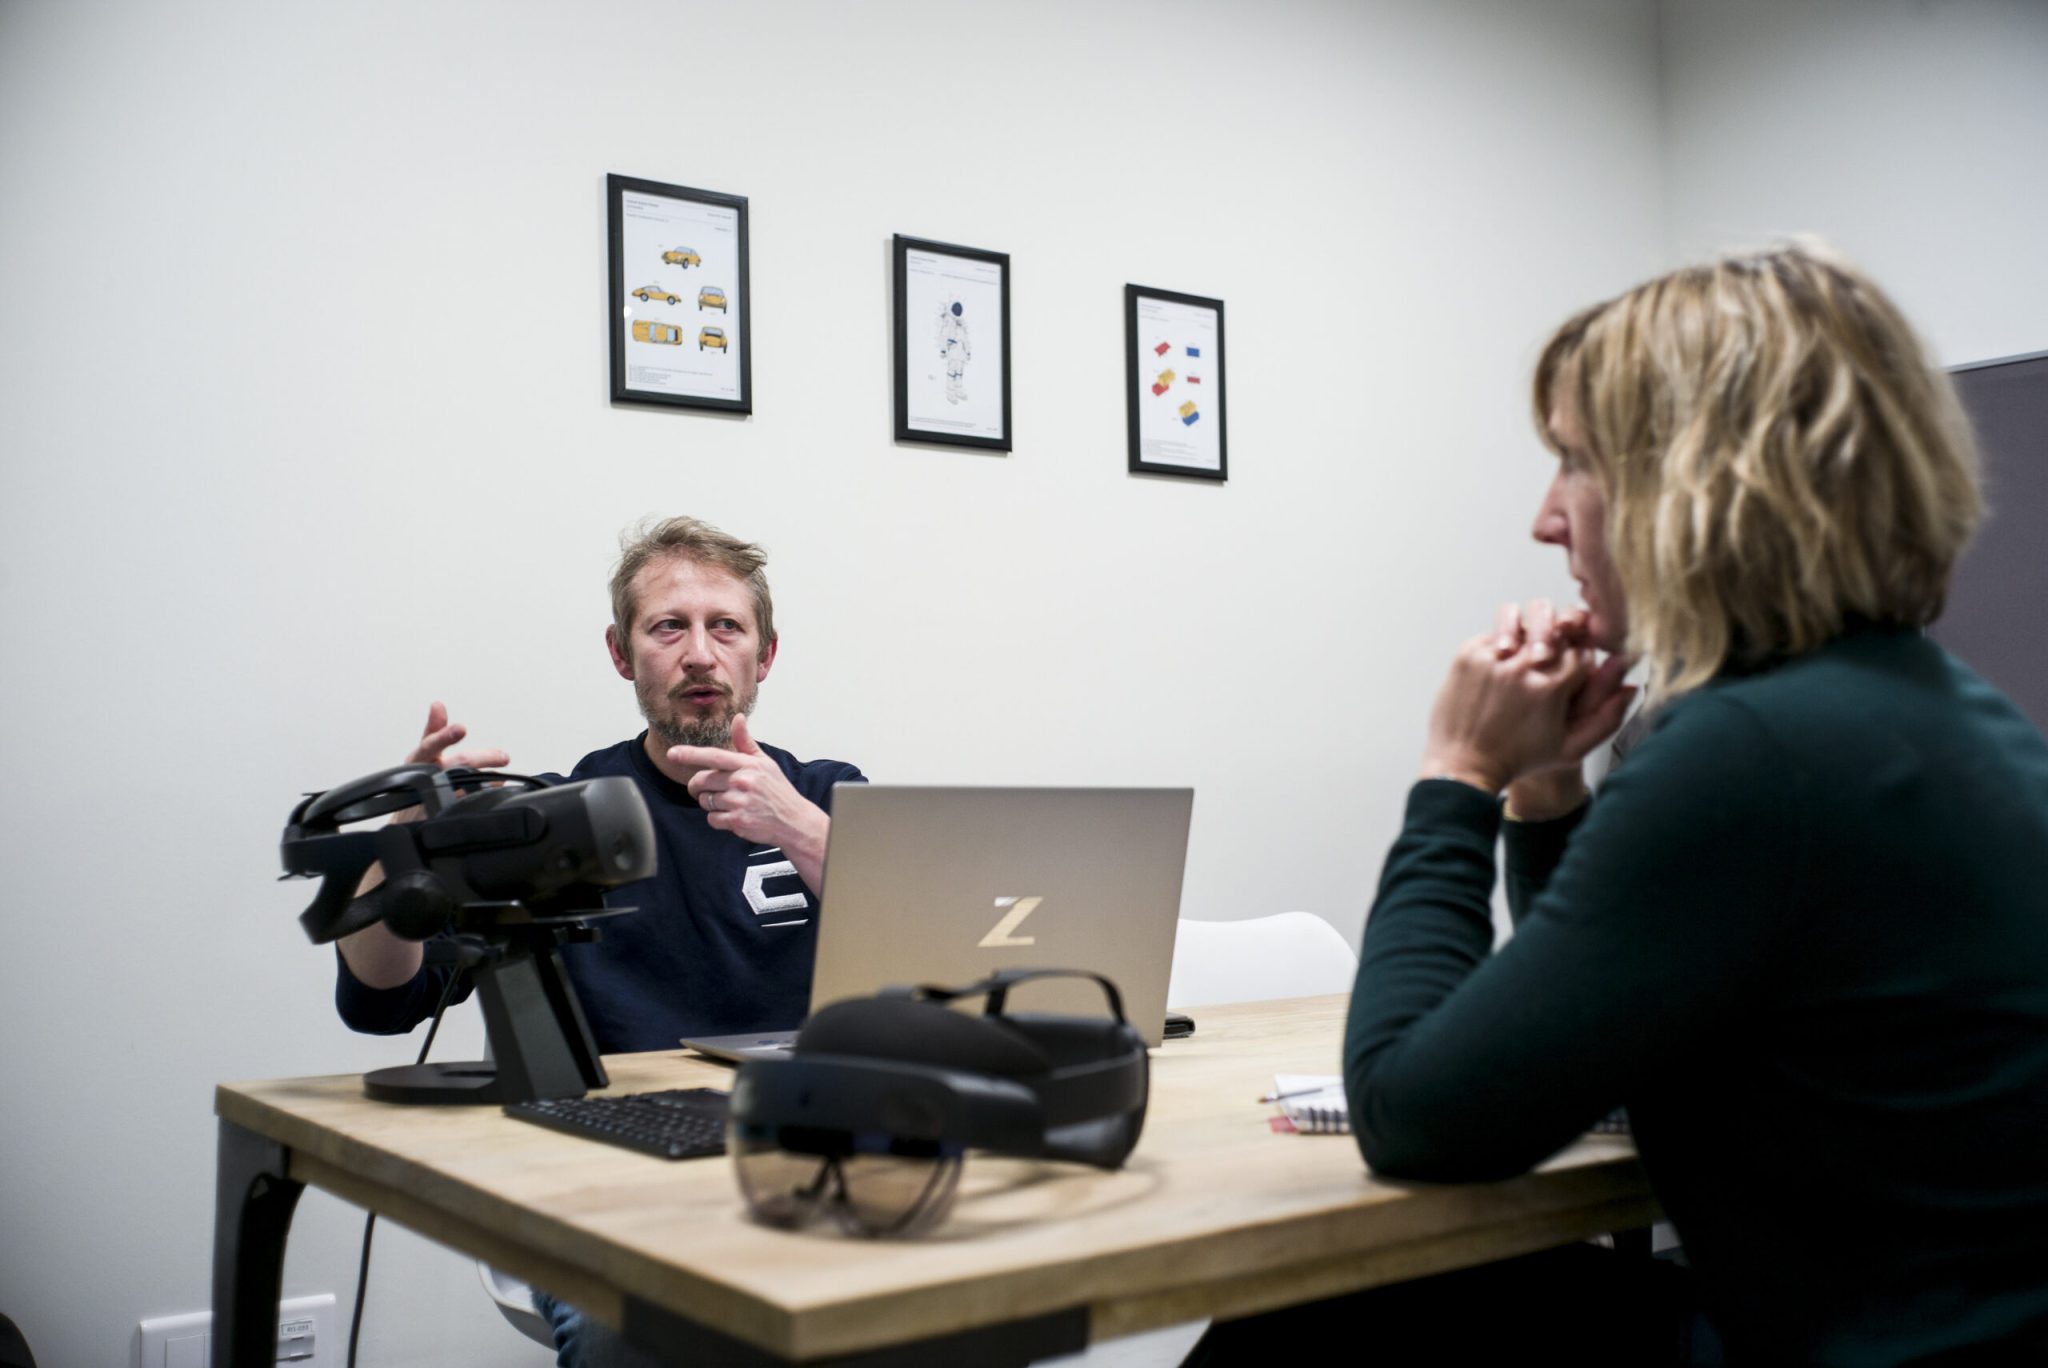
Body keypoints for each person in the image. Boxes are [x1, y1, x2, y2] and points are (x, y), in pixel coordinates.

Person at [1329, 243, 2048, 1363]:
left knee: (1328, 1319)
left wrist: (1455, 778)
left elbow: (1413, 1116)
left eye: (1574, 462)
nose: (1543, 518)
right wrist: (1547, 788)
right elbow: (1611, 1022)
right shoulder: (1927, 712)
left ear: (1700, 479)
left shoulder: (1751, 752)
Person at [332, 515, 862, 1368]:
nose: (699, 653)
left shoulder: (828, 797)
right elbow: (384, 1000)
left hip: (806, 1159)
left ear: (764, 656)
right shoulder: (561, 819)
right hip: (615, 1174)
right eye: (668, 627)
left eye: (726, 627)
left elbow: (931, 962)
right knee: (640, 1330)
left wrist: (797, 828)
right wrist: (402, 842)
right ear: (622, 654)